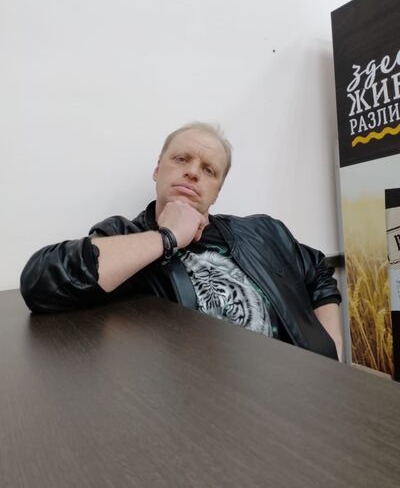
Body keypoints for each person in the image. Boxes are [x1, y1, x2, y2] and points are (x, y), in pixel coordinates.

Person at [20, 122, 342, 360]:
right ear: (157, 169)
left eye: (209, 170)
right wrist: (166, 237)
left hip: (304, 392)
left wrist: (331, 351)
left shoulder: (263, 231)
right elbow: (40, 283)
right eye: (181, 159)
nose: (193, 173)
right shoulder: (126, 236)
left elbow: (318, 271)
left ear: (217, 191)